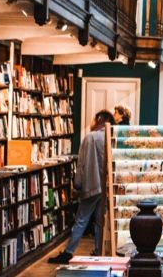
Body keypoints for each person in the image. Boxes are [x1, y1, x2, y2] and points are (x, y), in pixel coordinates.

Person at [48, 110, 115, 263]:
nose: (91, 122)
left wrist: (77, 184)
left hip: (92, 185)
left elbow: (82, 164)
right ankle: (99, 252)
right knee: (100, 221)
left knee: (81, 219)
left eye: (93, 119)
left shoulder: (90, 138)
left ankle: (68, 252)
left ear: (99, 120)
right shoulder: (110, 137)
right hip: (105, 187)